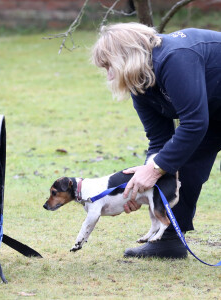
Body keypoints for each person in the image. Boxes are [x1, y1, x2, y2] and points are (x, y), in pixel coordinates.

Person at [91, 22, 221, 259]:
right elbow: (160, 141)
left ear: (126, 56)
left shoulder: (175, 58)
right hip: (213, 111)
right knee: (179, 164)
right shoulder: (141, 83)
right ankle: (168, 239)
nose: (109, 75)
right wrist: (139, 187)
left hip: (208, 112)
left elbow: (194, 123)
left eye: (110, 65)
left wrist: (155, 168)